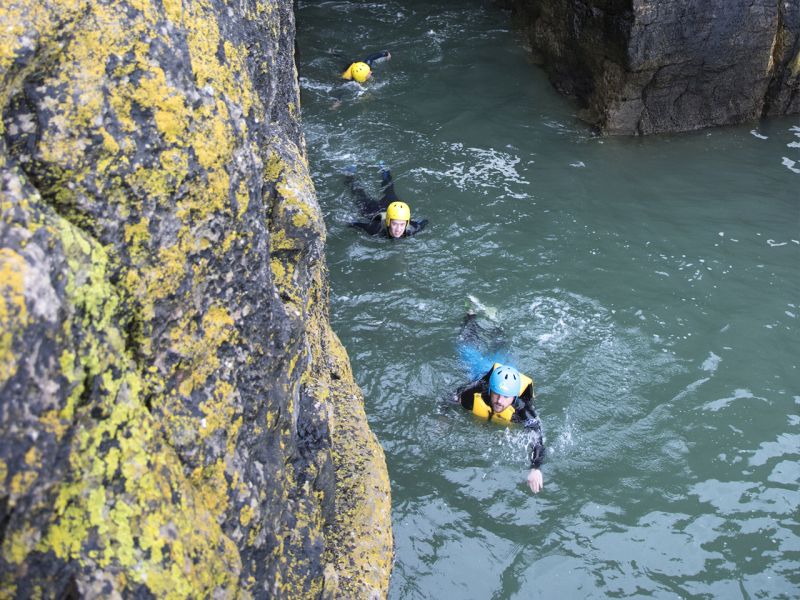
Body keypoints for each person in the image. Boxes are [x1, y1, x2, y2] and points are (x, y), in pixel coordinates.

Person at [451, 307, 545, 494]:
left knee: (501, 349)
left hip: (507, 373)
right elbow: (453, 396)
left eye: (506, 397)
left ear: (515, 396)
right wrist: (444, 416)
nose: (500, 401)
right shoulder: (476, 392)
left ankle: (495, 320)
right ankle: (470, 315)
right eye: (497, 395)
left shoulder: (523, 411)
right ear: (490, 390)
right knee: (464, 347)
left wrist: (535, 468)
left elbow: (539, 440)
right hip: (481, 369)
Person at [346, 165, 427, 238]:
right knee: (360, 196)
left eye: (402, 224)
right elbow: (355, 224)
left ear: (407, 223)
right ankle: (349, 176)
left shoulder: (413, 229)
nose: (398, 229)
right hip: (375, 212)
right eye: (394, 224)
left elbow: (424, 222)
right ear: (388, 222)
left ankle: (385, 171)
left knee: (389, 190)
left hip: (392, 205)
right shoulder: (375, 230)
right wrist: (349, 223)